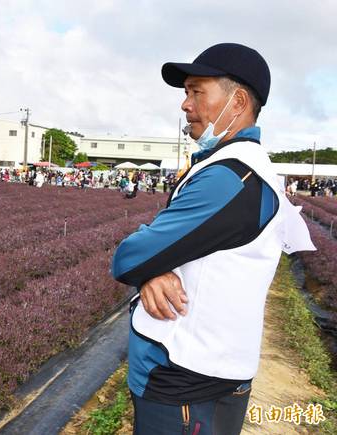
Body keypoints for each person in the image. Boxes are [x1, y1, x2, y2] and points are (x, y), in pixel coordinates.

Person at [111, 43, 315, 435]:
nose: (185, 105)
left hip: (182, 377)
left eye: (196, 91)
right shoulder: (244, 166)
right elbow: (176, 246)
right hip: (216, 367)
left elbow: (128, 259)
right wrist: (158, 265)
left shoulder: (229, 177)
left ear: (237, 102)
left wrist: (149, 262)